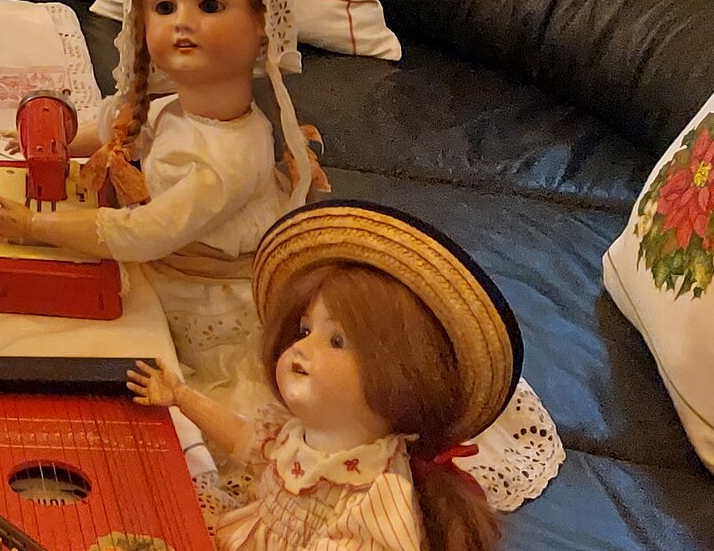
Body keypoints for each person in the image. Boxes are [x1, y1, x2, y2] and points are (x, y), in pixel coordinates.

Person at [0, 0, 320, 402]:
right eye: (164, 6)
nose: (182, 21)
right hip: (154, 259)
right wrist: (58, 144)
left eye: (209, 5)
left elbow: (142, 233)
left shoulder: (229, 160)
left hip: (194, 303)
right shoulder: (176, 109)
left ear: (261, 25)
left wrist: (34, 225)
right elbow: (125, 132)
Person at [132, 202, 518, 551]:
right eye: (304, 330)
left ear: (400, 372)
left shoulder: (373, 498)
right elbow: (244, 440)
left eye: (336, 341)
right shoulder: (293, 436)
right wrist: (182, 396)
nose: (302, 347)